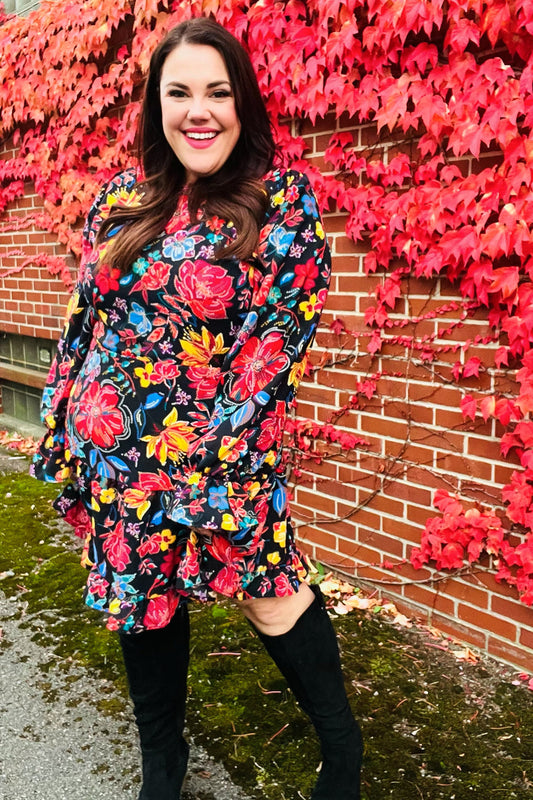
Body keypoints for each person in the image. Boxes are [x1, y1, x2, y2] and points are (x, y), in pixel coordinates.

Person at [30, 17, 363, 800]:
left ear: (241, 103)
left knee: (271, 593)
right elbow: (85, 319)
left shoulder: (280, 202)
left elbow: (275, 344)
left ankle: (342, 751)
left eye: (217, 91)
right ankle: (163, 764)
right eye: (179, 92)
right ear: (158, 106)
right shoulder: (121, 198)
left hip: (221, 455)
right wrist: (64, 423)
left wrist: (213, 460)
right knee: (140, 604)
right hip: (117, 462)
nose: (198, 110)